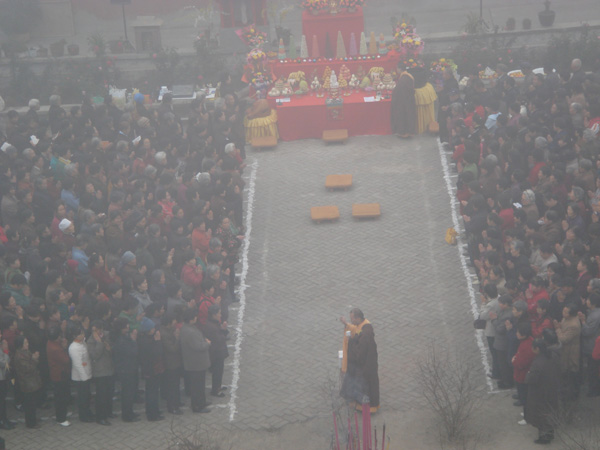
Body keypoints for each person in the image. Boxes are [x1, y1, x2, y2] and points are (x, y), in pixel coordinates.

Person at [339, 308, 379, 413]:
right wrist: (345, 323)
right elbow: (355, 330)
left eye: (352, 319)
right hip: (364, 363)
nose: (351, 321)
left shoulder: (366, 332)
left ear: (358, 318)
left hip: (366, 366)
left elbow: (359, 352)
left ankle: (367, 408)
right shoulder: (362, 325)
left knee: (365, 387)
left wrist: (350, 342)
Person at [525, 338, 560, 445]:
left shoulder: (537, 363)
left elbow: (530, 379)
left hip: (540, 392)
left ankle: (544, 438)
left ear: (537, 349)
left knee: (541, 415)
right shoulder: (552, 356)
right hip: (552, 389)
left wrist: (528, 374)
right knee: (550, 411)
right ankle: (550, 433)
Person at [179, 307, 211, 413]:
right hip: (196, 363)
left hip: (195, 363)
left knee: (200, 384)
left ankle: (202, 401)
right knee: (197, 386)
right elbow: (198, 347)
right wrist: (207, 343)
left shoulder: (187, 328)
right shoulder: (190, 332)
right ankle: (197, 406)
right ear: (191, 319)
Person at [137, 317, 165, 421]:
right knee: (152, 392)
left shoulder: (143, 339)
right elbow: (157, 353)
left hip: (149, 369)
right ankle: (152, 414)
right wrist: (158, 341)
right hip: (151, 370)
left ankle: (154, 410)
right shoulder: (146, 342)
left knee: (152, 391)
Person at [112, 318, 139, 422]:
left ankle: (130, 412)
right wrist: (134, 341)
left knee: (129, 392)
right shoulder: (121, 340)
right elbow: (133, 352)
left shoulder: (122, 338)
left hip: (127, 368)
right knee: (127, 393)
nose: (128, 327)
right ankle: (127, 415)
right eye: (126, 325)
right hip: (126, 369)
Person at [87, 320, 114, 426]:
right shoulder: (91, 341)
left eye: (97, 330)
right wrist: (99, 343)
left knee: (109, 392)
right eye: (93, 330)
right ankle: (100, 417)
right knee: (101, 395)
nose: (96, 332)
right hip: (100, 371)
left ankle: (108, 412)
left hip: (109, 368)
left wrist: (109, 348)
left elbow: (112, 351)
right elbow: (95, 355)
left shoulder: (107, 335)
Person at [201, 304, 229, 397]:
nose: (220, 315)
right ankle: (216, 390)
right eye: (219, 313)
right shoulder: (211, 327)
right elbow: (219, 339)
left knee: (219, 371)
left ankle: (218, 386)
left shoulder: (213, 323)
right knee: (217, 372)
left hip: (217, 352)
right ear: (213, 314)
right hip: (216, 353)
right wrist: (224, 331)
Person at [13, 336, 41, 428]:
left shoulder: (25, 352)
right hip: (27, 383)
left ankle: (33, 420)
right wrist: (34, 358)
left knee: (32, 403)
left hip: (31, 381)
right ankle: (30, 423)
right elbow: (28, 368)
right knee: (29, 405)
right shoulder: (19, 356)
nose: (27, 344)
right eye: (25, 343)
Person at [46, 326, 71, 427]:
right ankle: (61, 418)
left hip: (56, 374)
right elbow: (66, 360)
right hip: (60, 375)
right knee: (61, 397)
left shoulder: (50, 343)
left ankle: (62, 414)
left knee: (60, 396)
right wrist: (64, 347)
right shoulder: (56, 348)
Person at [68, 325, 93, 423]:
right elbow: (78, 364)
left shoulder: (83, 343)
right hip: (81, 378)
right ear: (75, 336)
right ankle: (84, 416)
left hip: (87, 374)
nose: (83, 335)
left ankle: (88, 412)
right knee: (83, 398)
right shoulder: (74, 348)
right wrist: (84, 377)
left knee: (87, 396)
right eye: (81, 334)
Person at [390, 65, 417, 138]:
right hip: (409, 99)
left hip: (403, 100)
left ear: (400, 69)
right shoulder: (408, 76)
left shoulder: (404, 78)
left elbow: (398, 90)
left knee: (403, 115)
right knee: (409, 115)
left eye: (397, 68)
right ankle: (410, 131)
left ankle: (404, 132)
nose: (396, 70)